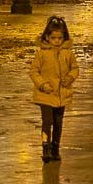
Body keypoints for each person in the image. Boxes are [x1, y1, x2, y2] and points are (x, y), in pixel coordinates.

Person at [30, 15, 80, 163]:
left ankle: (55, 147)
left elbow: (75, 68)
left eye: (60, 38)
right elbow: (34, 71)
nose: (57, 41)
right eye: (53, 38)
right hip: (45, 94)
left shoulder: (68, 54)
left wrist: (70, 77)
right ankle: (45, 147)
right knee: (47, 121)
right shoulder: (41, 54)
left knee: (58, 122)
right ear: (47, 37)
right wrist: (42, 84)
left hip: (61, 95)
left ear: (64, 37)